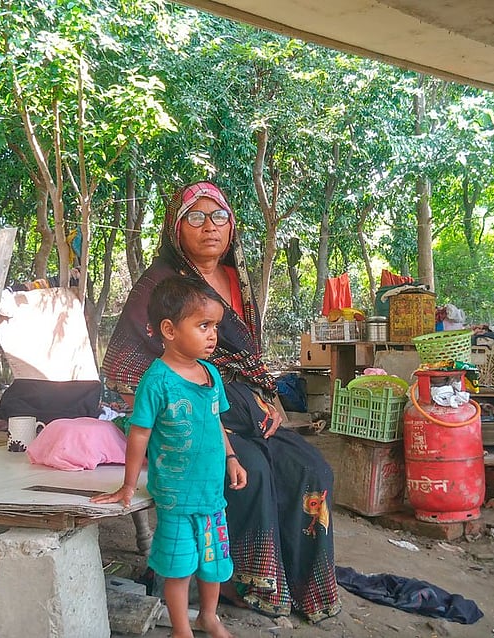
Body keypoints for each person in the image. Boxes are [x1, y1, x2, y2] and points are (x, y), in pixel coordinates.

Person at [103, 181, 342, 622]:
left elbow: (245, 356)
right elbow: (123, 363)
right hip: (192, 412)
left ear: (231, 226)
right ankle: (247, 585)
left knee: (312, 468)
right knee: (249, 474)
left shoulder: (237, 279)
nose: (209, 227)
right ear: (176, 228)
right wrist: (196, 420)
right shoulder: (159, 284)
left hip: (248, 405)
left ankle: (304, 580)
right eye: (195, 217)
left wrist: (267, 402)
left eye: (219, 217)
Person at [92, 276, 247, 638]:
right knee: (178, 568)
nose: (213, 335)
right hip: (176, 497)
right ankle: (181, 629)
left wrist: (232, 458)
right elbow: (139, 434)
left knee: (213, 563)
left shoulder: (210, 374)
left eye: (215, 327)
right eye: (203, 325)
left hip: (212, 495)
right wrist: (128, 485)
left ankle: (209, 616)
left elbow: (216, 422)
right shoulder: (156, 381)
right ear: (169, 329)